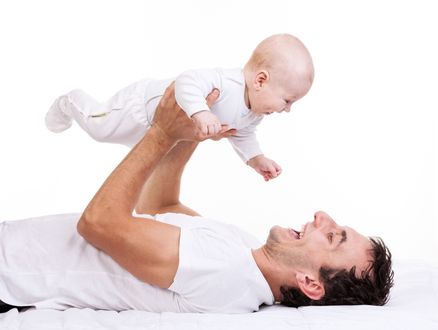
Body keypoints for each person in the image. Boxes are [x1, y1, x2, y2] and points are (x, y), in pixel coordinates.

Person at [0, 85, 393, 314]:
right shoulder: (244, 258)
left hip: (7, 274)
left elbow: (98, 224)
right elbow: (162, 209)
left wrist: (162, 133)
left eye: (333, 237)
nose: (322, 216)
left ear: (310, 283)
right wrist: (191, 135)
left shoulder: (223, 269)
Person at [45, 33, 314, 181]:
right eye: (287, 100)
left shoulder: (255, 112)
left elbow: (242, 135)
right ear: (261, 80)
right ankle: (69, 101)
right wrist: (202, 112)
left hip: (161, 132)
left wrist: (256, 159)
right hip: (140, 107)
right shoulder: (226, 82)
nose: (286, 110)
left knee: (145, 167)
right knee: (99, 127)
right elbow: (187, 81)